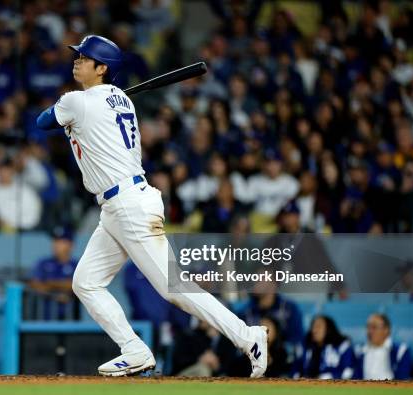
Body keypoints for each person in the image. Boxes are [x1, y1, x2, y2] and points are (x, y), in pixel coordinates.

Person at [36, 35, 267, 377]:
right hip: (118, 206)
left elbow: (43, 122)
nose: (77, 60)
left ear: (102, 68)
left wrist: (83, 105)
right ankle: (133, 349)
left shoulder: (77, 102)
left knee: (174, 288)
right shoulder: (120, 101)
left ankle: (248, 336)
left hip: (129, 205)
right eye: (79, 56)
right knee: (85, 281)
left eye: (85, 58)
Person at [29, 227, 79, 320]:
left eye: (61, 241)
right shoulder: (43, 263)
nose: (56, 244)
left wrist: (48, 283)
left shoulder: (77, 264)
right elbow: (35, 284)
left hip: (72, 321)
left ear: (71, 245)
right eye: (55, 241)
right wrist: (56, 295)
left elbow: (76, 286)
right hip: (44, 320)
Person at [293, 315, 355, 379]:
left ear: (328, 329)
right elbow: (296, 370)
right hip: (307, 386)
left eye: (318, 327)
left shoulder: (342, 346)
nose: (314, 331)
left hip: (334, 386)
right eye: (313, 327)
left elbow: (348, 371)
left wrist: (326, 377)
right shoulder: (305, 346)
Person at [354, 313, 413, 380]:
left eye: (374, 327)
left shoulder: (401, 351)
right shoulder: (360, 351)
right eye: (368, 327)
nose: (369, 331)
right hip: (363, 389)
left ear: (386, 330)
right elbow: (355, 377)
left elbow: (403, 377)